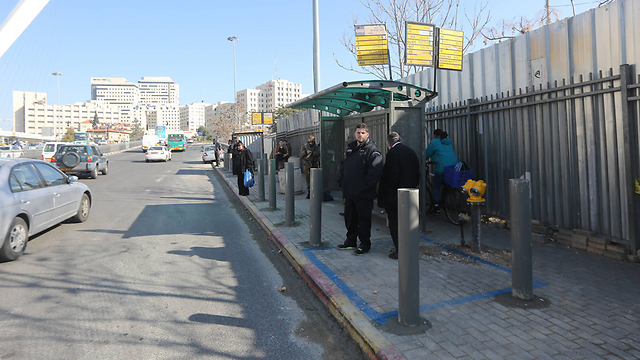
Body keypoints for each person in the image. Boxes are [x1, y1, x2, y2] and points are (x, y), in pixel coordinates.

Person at [337, 123, 383, 255]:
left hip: (364, 194)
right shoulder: (351, 149)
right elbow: (344, 165)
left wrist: (364, 187)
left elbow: (375, 172)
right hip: (350, 193)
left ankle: (364, 244)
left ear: (367, 134)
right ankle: (350, 241)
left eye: (362, 133)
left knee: (363, 220)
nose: (360, 135)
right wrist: (342, 181)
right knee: (350, 219)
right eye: (358, 132)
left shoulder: (372, 151)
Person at [378, 132, 420, 259]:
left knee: (395, 223)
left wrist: (389, 191)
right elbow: (417, 172)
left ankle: (400, 249)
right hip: (410, 194)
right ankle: (409, 246)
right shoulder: (410, 151)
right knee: (407, 222)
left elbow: (392, 175)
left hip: (395, 196)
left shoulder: (393, 153)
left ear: (389, 142)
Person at [425, 129, 458, 215]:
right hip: (452, 167)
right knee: (446, 185)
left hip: (441, 168)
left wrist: (422, 160)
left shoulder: (434, 142)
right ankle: (445, 201)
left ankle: (436, 207)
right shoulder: (448, 141)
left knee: (436, 187)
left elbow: (427, 154)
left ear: (435, 135)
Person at [299, 134, 320, 199]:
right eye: (310, 141)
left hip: (314, 163)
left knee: (315, 178)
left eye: (312, 141)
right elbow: (300, 155)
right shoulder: (305, 146)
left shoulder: (316, 146)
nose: (311, 143)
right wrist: (306, 152)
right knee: (307, 179)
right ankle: (309, 191)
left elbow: (319, 153)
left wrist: (312, 153)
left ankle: (315, 191)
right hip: (307, 164)